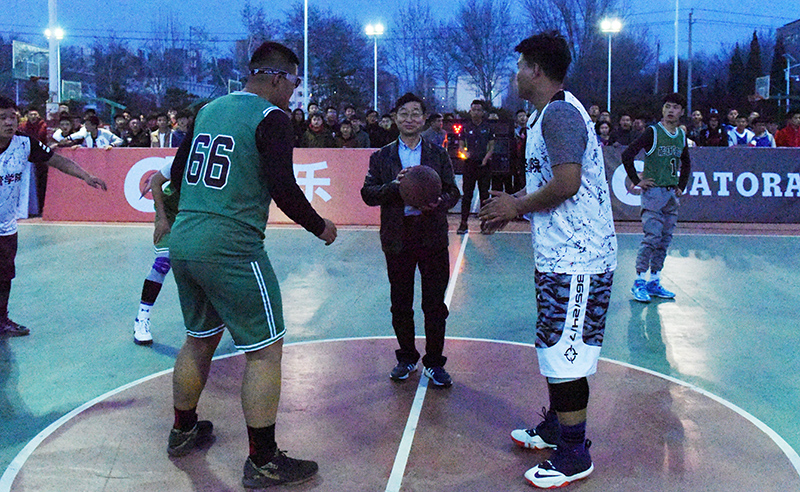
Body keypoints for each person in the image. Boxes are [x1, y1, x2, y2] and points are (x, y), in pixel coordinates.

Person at [165, 41, 336, 488]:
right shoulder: (271, 117)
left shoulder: (208, 110)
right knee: (264, 351)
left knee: (198, 340)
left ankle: (183, 430)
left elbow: (177, 175)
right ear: (277, 78)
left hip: (185, 238)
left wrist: (170, 218)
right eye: (294, 83)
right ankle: (263, 460)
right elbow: (283, 187)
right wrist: (320, 226)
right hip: (232, 246)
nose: (294, 92)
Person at [477, 31, 616, 489]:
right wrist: (511, 204)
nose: (515, 73)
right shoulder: (544, 115)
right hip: (561, 255)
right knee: (554, 346)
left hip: (580, 259)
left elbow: (568, 183)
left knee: (565, 356)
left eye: (519, 65)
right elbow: (549, 183)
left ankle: (574, 453)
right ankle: (558, 427)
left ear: (535, 69)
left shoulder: (558, 114)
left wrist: (516, 206)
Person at [360, 92, 461, 387]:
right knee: (401, 302)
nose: (409, 119)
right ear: (395, 118)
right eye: (403, 113)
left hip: (431, 234)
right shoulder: (381, 157)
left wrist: (439, 202)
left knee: (434, 304)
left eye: (416, 113)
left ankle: (434, 362)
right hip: (397, 236)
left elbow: (453, 192)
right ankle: (406, 357)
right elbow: (368, 194)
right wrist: (395, 186)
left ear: (424, 118)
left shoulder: (438, 154)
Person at [0, 96, 107, 337]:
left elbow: (57, 160)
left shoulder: (24, 143)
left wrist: (86, 176)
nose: (9, 122)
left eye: (12, 117)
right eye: (2, 118)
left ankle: (1, 320)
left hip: (5, 226)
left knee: (4, 276)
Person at [621, 92, 690, 303]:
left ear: (682, 112)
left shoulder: (680, 135)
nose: (671, 111)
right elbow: (627, 154)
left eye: (675, 107)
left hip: (671, 194)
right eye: (667, 106)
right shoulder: (653, 132)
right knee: (652, 238)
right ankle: (639, 281)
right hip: (654, 193)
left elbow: (686, 162)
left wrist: (681, 185)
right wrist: (637, 180)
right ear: (662, 109)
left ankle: (654, 280)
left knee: (665, 239)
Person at [132, 162, 178, 345]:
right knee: (163, 262)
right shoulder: (183, 158)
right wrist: (162, 219)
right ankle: (142, 319)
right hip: (170, 213)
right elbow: (156, 181)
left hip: (194, 214)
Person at [457, 99, 495, 235]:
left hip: (484, 166)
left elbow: (492, 146)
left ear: (483, 112)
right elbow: (461, 146)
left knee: (485, 195)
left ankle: (484, 223)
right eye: (474, 110)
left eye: (479, 110)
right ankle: (463, 223)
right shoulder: (465, 127)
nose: (476, 112)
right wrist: (465, 153)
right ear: (470, 111)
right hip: (469, 165)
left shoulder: (488, 127)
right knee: (467, 195)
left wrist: (485, 159)